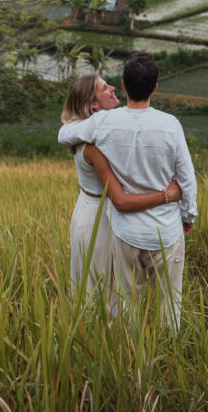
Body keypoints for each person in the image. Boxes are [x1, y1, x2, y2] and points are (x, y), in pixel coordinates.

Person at [58, 53, 197, 329]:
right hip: (165, 228)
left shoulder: (103, 123)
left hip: (124, 231)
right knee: (170, 305)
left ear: (123, 85)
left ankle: (126, 354)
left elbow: (64, 135)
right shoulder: (171, 124)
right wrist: (188, 216)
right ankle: (168, 350)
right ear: (156, 87)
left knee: (123, 304)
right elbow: (187, 178)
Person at [61, 73, 182, 295]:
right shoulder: (94, 146)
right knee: (102, 288)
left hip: (89, 209)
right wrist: (168, 195)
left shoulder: (96, 133)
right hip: (99, 219)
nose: (113, 88)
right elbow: (121, 200)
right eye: (105, 87)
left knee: (98, 286)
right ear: (94, 106)